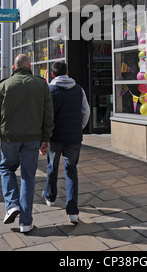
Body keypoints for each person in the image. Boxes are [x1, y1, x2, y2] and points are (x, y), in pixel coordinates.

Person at [0, 54, 54, 234]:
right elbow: (48, 114)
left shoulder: (4, 85)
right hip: (33, 138)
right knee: (28, 176)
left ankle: (11, 205)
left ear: (14, 67)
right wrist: (46, 138)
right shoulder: (41, 85)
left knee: (7, 169)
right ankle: (26, 222)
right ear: (30, 66)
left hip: (9, 137)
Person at [43, 61, 90, 224]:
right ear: (67, 72)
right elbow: (86, 112)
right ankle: (72, 212)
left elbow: (45, 115)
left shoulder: (49, 90)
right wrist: (79, 127)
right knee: (71, 171)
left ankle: (50, 197)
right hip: (74, 137)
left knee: (52, 167)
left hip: (55, 137)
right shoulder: (79, 90)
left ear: (52, 74)